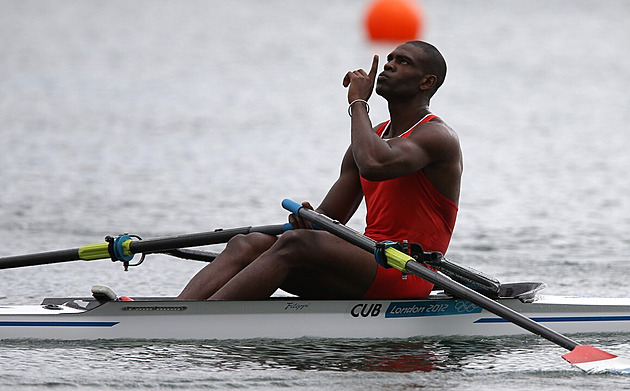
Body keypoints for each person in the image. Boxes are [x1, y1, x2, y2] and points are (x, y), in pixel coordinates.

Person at [177, 41, 462, 301]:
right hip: (370, 262)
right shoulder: (369, 139)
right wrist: (309, 220)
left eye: (403, 62)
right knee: (247, 244)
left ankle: (201, 322)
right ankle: (181, 312)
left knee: (296, 244)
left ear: (427, 82)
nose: (389, 65)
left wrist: (358, 102)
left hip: (408, 272)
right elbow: (329, 220)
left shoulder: (436, 137)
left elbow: (375, 165)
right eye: (390, 58)